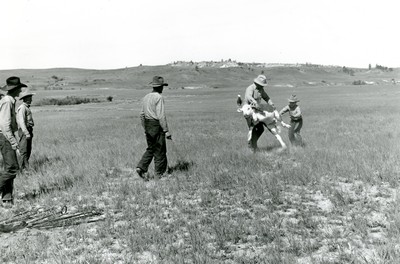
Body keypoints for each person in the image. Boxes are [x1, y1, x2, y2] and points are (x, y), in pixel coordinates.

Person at [136, 76, 172, 180]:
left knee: (151, 148)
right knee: (160, 150)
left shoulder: (146, 97)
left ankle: (141, 168)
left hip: (148, 125)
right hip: (156, 125)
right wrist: (166, 131)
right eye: (162, 86)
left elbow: (142, 114)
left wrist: (145, 128)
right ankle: (158, 175)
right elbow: (161, 115)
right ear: (160, 87)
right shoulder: (159, 97)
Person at [0, 77, 25, 206]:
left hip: (5, 136)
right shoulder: (7, 101)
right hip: (5, 136)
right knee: (12, 168)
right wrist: (13, 142)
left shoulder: (10, 100)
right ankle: (6, 197)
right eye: (20, 88)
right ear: (15, 89)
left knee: (8, 167)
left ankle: (7, 199)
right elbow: (5, 125)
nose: (21, 90)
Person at [244, 74, 276, 151]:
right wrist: (255, 103)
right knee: (253, 128)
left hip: (257, 110)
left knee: (260, 129)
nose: (263, 86)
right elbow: (249, 97)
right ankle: (252, 147)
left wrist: (271, 103)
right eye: (262, 85)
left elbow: (266, 97)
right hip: (249, 111)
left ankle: (253, 146)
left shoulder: (261, 89)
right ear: (257, 83)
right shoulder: (250, 88)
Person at [17, 90, 36, 170]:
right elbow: (21, 121)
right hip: (25, 131)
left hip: (28, 130)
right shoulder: (22, 108)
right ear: (27, 98)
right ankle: (21, 170)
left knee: (28, 150)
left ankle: (25, 168)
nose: (31, 99)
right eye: (30, 97)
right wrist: (26, 132)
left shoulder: (26, 107)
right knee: (23, 151)